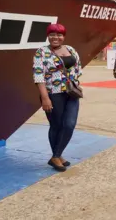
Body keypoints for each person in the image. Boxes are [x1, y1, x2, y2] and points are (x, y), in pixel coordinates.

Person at [33, 23, 83, 172]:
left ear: (64, 36)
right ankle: (57, 156)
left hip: (71, 93)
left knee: (69, 124)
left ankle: (56, 155)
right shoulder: (41, 52)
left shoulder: (71, 49)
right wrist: (45, 98)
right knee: (56, 125)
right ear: (48, 36)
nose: (56, 37)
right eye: (52, 34)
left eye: (59, 34)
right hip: (52, 94)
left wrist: (76, 83)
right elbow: (38, 75)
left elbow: (77, 67)